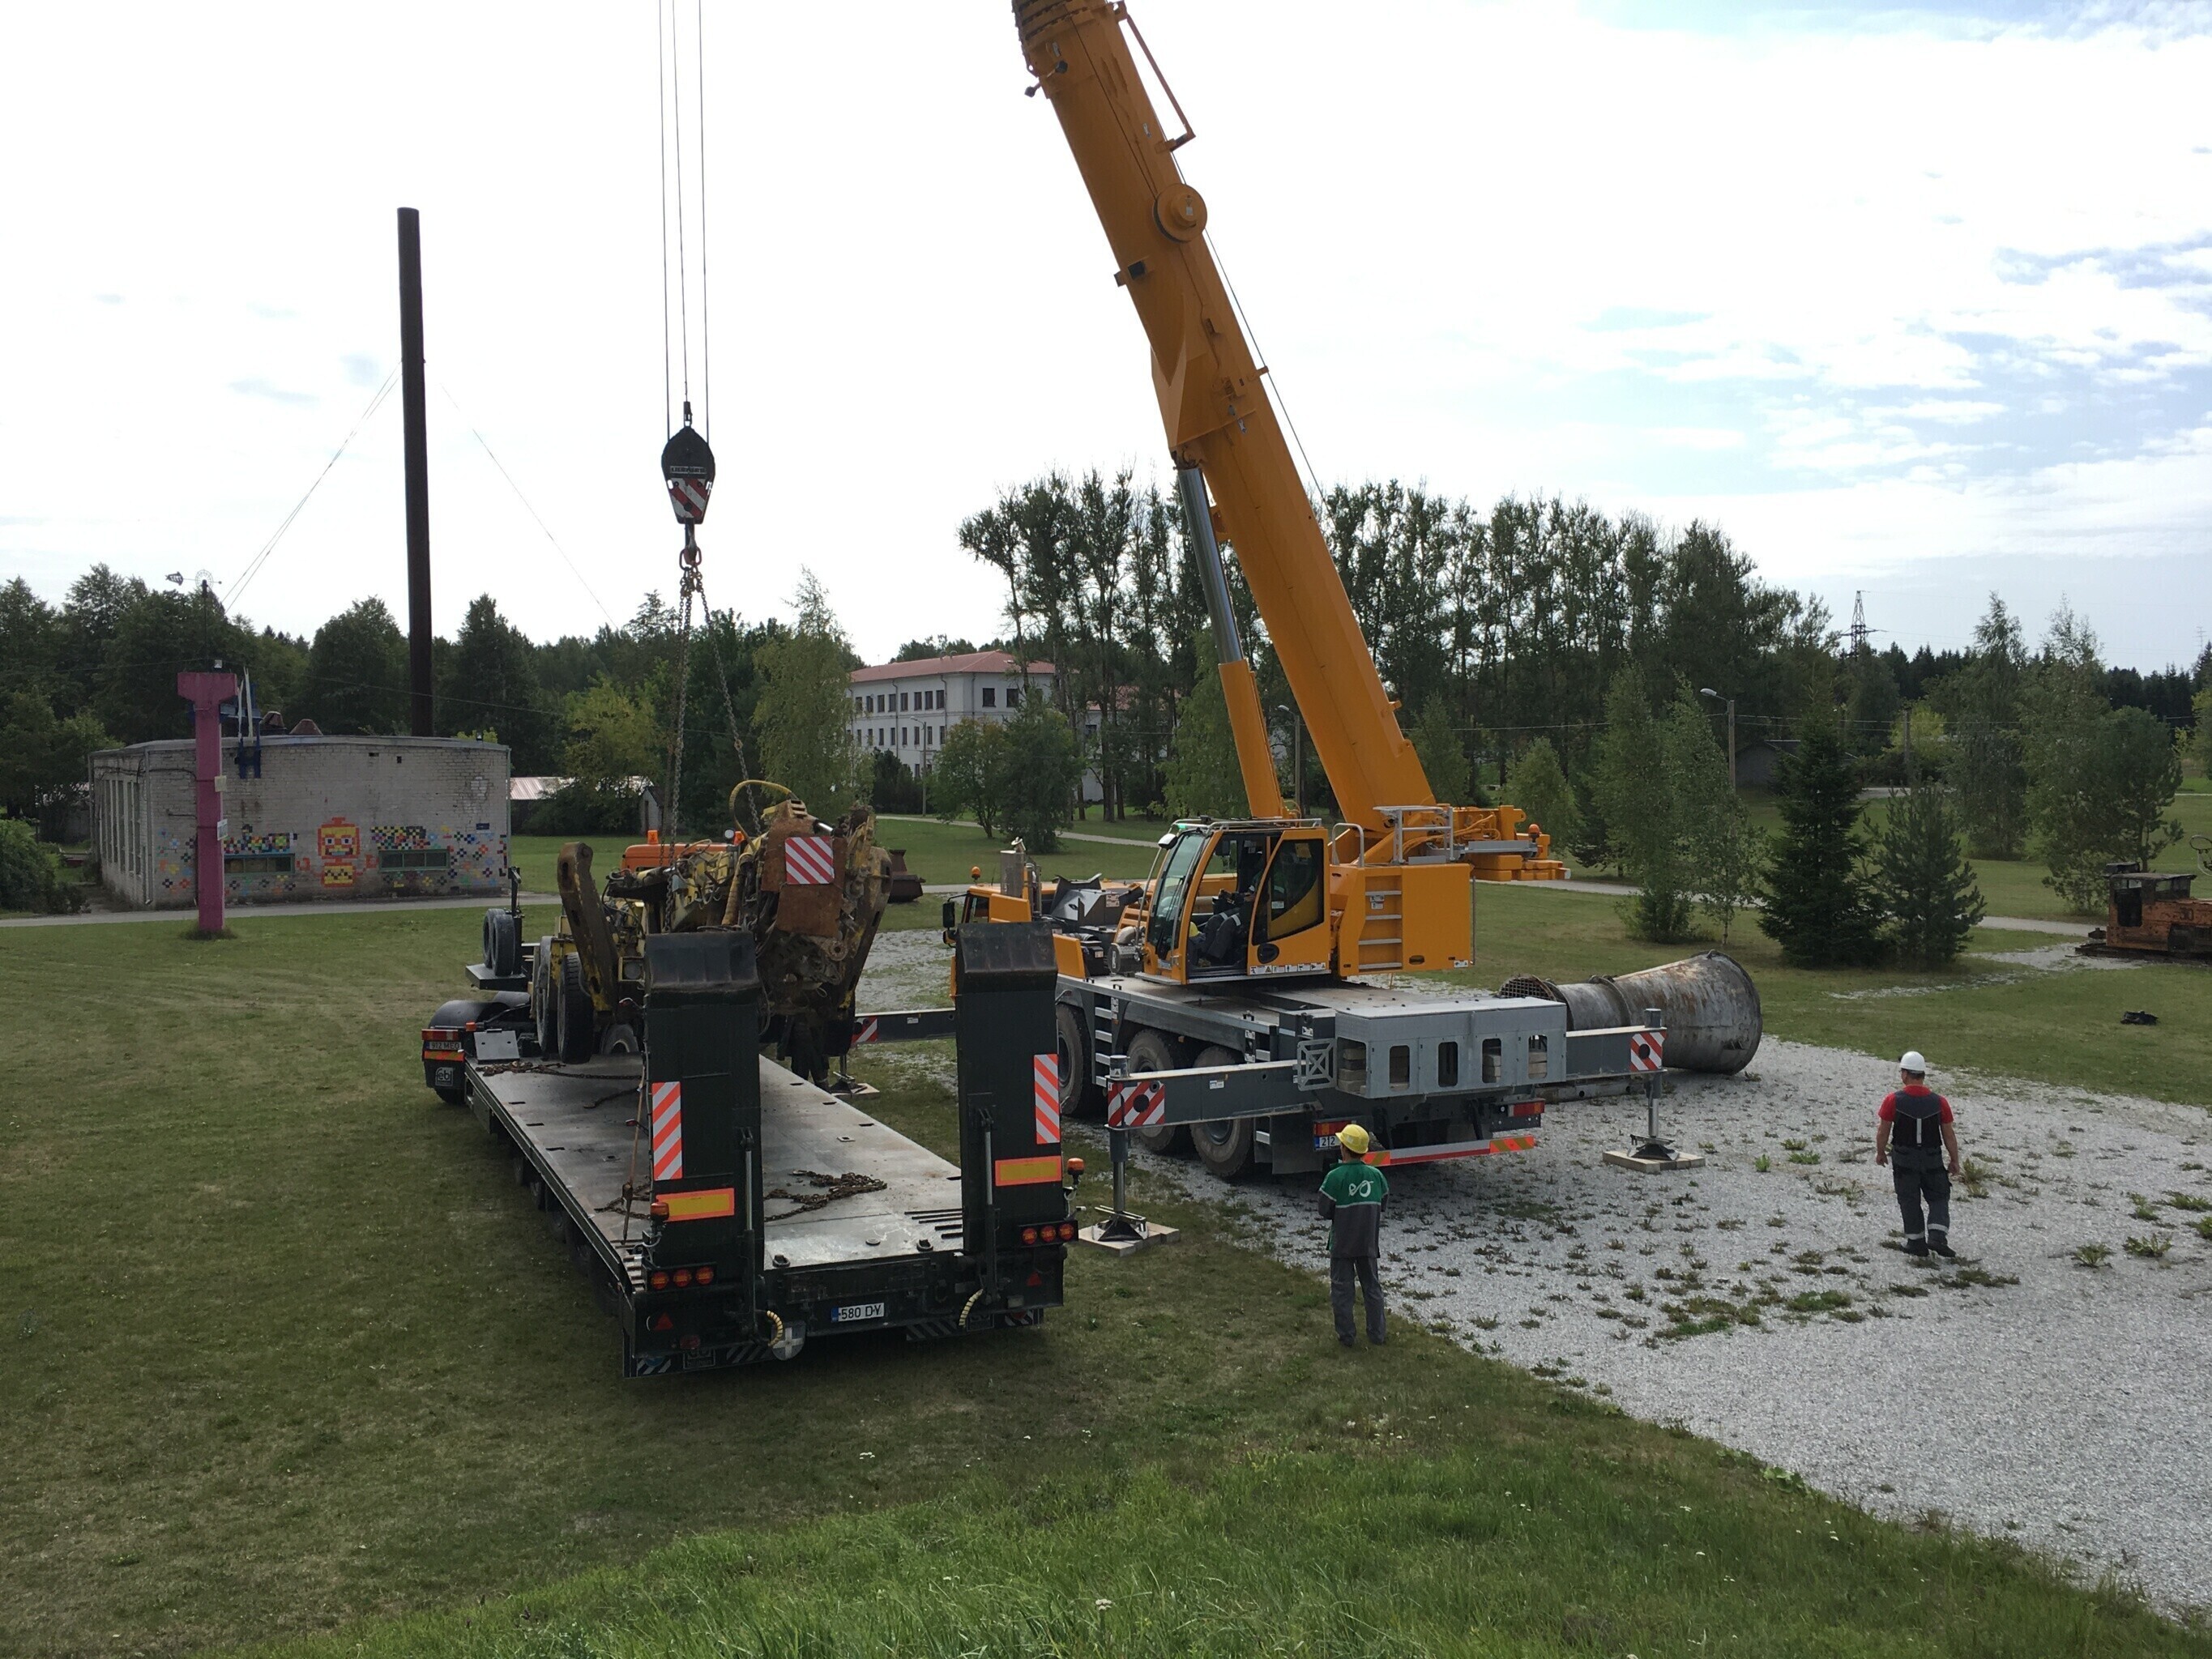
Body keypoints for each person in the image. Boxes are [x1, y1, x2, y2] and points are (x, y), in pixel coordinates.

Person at [1873, 1050, 1961, 1258]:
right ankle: (1937, 1236)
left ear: (1905, 1074)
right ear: (1922, 1074)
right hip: (1932, 1158)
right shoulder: (1940, 1102)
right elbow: (1948, 1134)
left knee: (1909, 1199)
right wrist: (1954, 1160)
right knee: (1939, 1196)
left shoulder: (1893, 1100)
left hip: (1904, 1158)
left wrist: (1880, 1152)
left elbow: (1883, 1130)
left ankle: (1916, 1242)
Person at [1319, 1124, 1389, 1346]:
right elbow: (1383, 1202)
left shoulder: (1335, 1177)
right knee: (1372, 1287)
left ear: (1343, 1148)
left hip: (1342, 1244)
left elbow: (1324, 1209)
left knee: (1342, 1290)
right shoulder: (1376, 1175)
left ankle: (1347, 1335)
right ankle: (1377, 1334)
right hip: (1368, 1243)